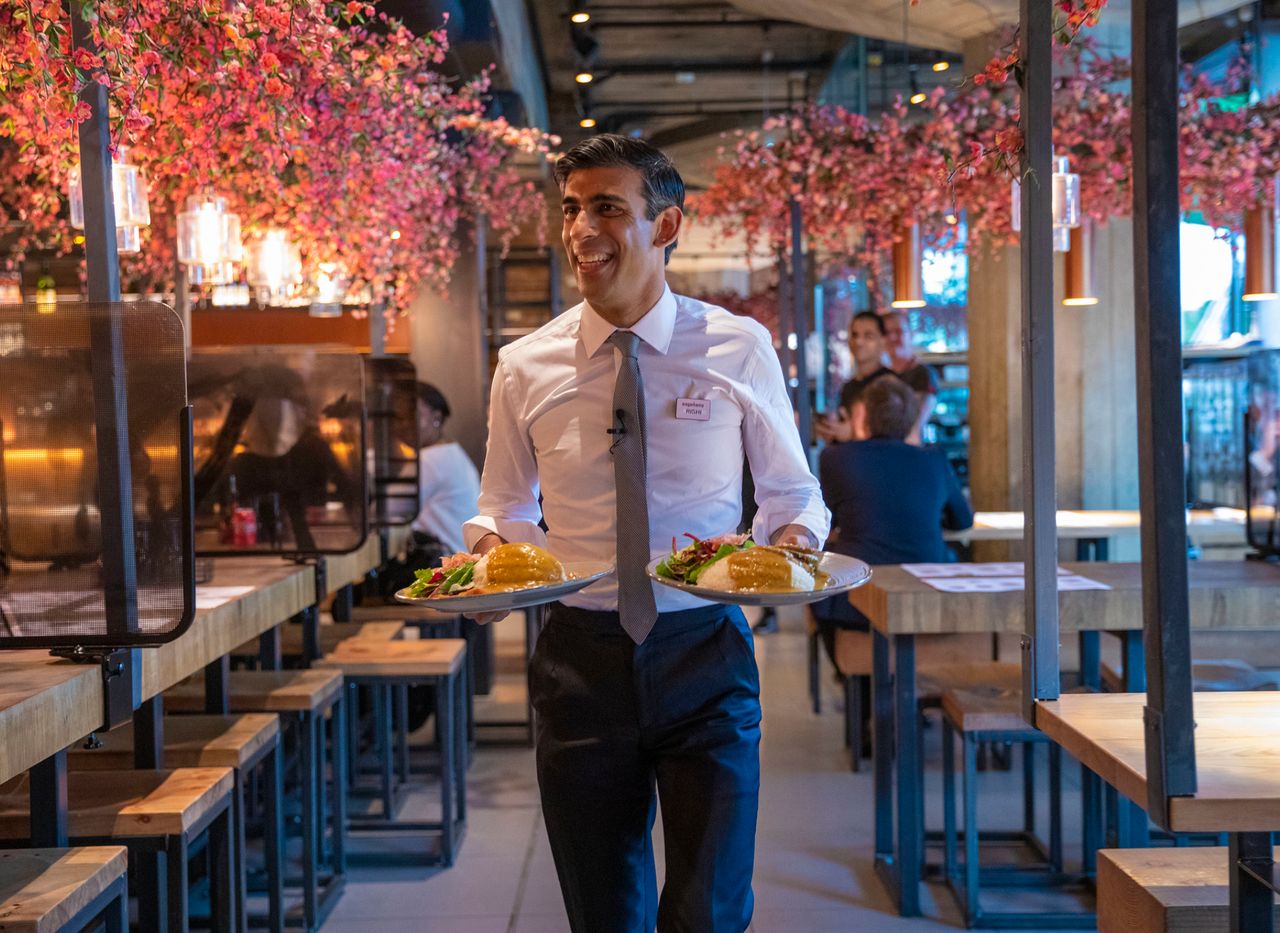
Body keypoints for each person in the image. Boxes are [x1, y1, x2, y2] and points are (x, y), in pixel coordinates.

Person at [462, 133, 829, 933]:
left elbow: (792, 491)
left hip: (705, 651)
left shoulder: (737, 344)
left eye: (606, 208)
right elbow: (503, 504)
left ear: (666, 228)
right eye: (570, 208)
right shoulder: (525, 363)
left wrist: (794, 540)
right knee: (603, 911)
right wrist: (493, 561)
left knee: (711, 905)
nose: (581, 228)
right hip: (579, 660)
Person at [813, 376, 973, 666]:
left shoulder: (836, 458)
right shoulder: (933, 459)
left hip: (856, 601)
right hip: (923, 596)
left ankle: (851, 683)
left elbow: (827, 521)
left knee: (817, 596)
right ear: (913, 420)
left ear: (864, 415)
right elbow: (962, 521)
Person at [815, 310, 898, 444]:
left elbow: (895, 438)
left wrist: (853, 434)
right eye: (854, 335)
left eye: (868, 336)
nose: (859, 341)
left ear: (883, 341)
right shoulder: (849, 386)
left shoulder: (891, 384)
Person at [882, 309, 938, 439]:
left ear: (910, 334)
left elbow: (915, 425)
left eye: (898, 331)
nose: (892, 338)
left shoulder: (923, 374)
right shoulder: (883, 375)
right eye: (886, 333)